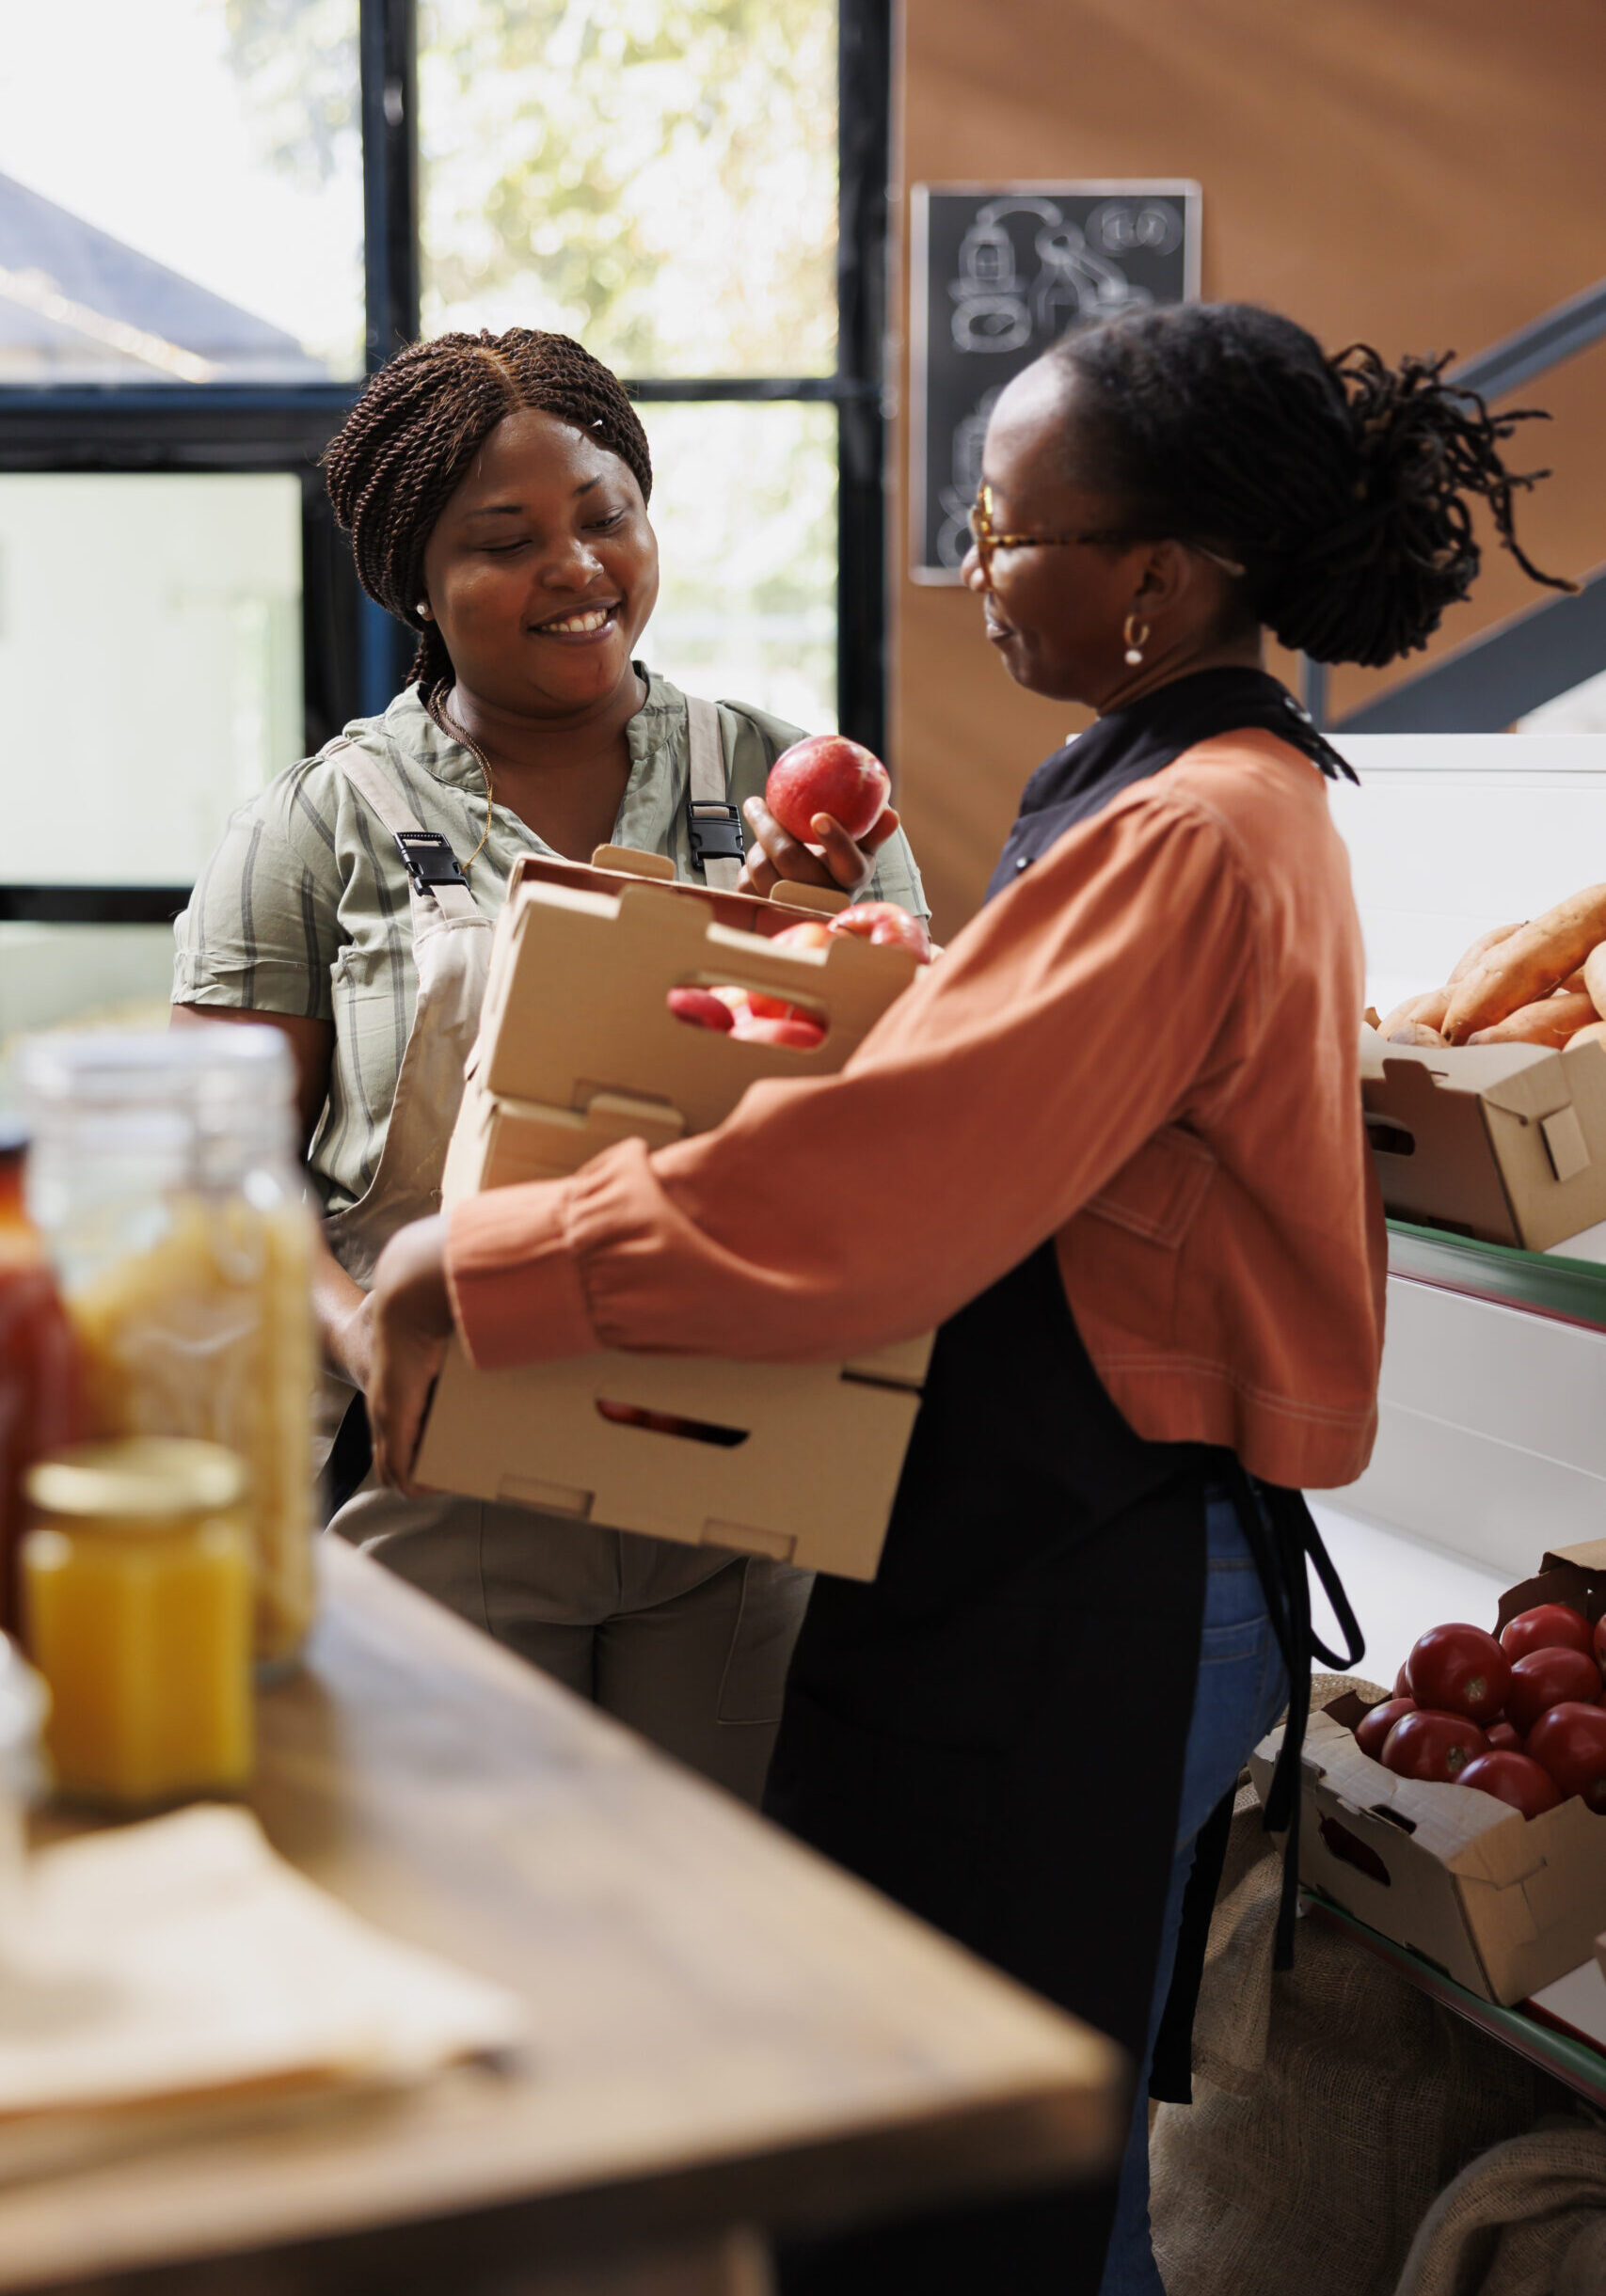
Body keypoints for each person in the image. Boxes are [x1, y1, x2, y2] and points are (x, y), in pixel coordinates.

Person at [359, 304, 1570, 2293]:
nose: (976, 570)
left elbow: (903, 1185)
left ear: (1153, 581)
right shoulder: (1194, 794)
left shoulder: (1189, 832)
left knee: (964, 2197)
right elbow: (1045, 1100)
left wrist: (501, 1262)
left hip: (1074, 1594)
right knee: (1017, 2170)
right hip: (1046, 1565)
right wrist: (860, 973)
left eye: (1009, 533)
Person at [170, 326, 928, 1807]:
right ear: (418, 584)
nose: (577, 566)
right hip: (444, 1456)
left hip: (737, 1454)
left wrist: (841, 962)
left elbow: (920, 1098)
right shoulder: (324, 825)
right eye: (504, 541)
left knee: (700, 1912)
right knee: (467, 1900)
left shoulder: (798, 790)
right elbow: (223, 1159)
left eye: (606, 515)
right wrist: (359, 1339)